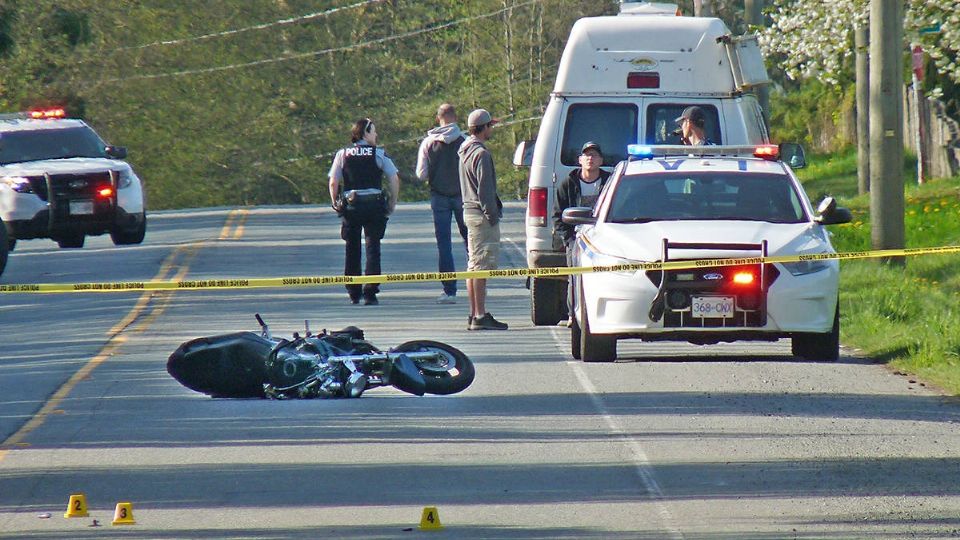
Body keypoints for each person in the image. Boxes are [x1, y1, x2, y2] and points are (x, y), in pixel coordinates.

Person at [328, 118, 400, 305]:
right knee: (373, 247)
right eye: (373, 131)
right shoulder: (379, 153)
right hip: (374, 206)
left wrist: (335, 202)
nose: (376, 135)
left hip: (351, 206)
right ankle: (370, 292)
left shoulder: (343, 154)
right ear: (365, 133)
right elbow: (393, 178)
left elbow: (333, 181)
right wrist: (392, 202)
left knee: (351, 248)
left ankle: (353, 291)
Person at [553, 141, 611, 326]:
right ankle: (573, 314)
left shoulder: (610, 183)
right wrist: (568, 239)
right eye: (586, 155)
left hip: (603, 240)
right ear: (580, 160)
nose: (590, 159)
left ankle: (605, 314)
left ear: (601, 160)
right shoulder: (568, 184)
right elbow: (558, 215)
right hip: (576, 239)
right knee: (575, 277)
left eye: (594, 155)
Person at [459, 109, 507, 331]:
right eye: (490, 126)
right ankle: (480, 315)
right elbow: (485, 190)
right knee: (480, 266)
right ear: (484, 127)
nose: (491, 129)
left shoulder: (464, 150)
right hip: (480, 214)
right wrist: (492, 216)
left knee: (473, 266)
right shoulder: (481, 154)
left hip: (469, 211)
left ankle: (474, 312)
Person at [416, 103, 468, 305]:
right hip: (462, 195)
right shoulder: (464, 141)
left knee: (444, 244)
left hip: (439, 196)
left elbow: (421, 174)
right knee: (470, 241)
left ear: (438, 118)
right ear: (456, 117)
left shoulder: (428, 142)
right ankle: (476, 284)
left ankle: (449, 291)